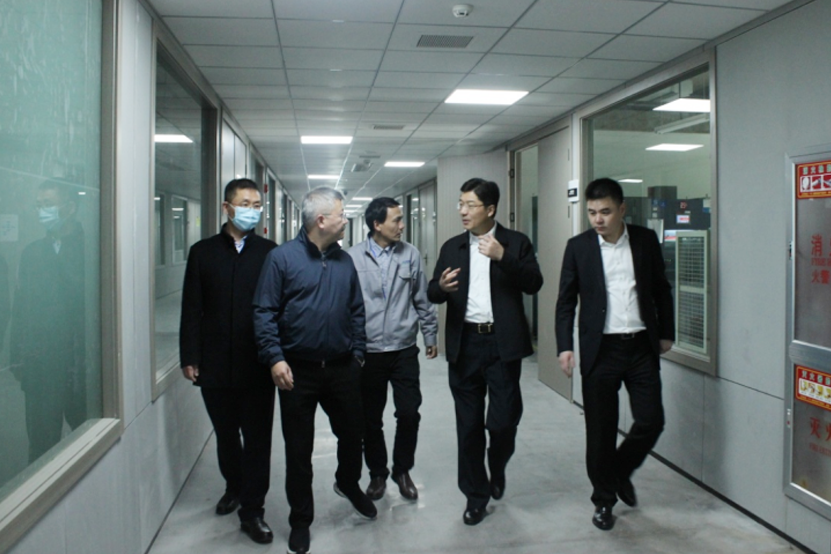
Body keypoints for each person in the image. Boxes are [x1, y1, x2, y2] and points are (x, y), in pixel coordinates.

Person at [253, 186, 375, 554]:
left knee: (353, 435)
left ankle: (348, 482)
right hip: (297, 373)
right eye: (341, 214)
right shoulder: (281, 259)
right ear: (321, 220)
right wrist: (275, 358)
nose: (346, 220)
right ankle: (301, 520)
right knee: (299, 452)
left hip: (341, 369)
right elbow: (264, 312)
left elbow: (356, 310)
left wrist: (357, 355)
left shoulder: (344, 261)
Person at [555, 177, 674, 531]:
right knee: (601, 432)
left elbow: (661, 289)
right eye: (592, 212)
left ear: (622, 209)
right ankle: (604, 500)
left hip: (640, 347)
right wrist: (565, 346)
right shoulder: (578, 247)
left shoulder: (645, 240)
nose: (598, 219)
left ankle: (620, 471)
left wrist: (666, 332)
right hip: (600, 351)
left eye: (605, 211)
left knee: (651, 420)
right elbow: (565, 302)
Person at [427, 178, 543, 526]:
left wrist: (503, 257)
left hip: (501, 344)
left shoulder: (515, 243)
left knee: (504, 420)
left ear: (490, 209)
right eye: (460, 204)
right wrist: (440, 288)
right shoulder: (452, 247)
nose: (462, 211)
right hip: (465, 344)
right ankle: (475, 496)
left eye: (470, 205)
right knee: (468, 427)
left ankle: (498, 462)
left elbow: (534, 283)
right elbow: (432, 292)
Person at [179, 178, 278, 544]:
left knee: (258, 439)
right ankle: (234, 486)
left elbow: (279, 307)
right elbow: (192, 307)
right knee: (226, 434)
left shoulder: (270, 252)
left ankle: (253, 511)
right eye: (245, 204)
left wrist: (279, 357)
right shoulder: (203, 252)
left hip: (258, 362)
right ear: (227, 208)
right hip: (215, 362)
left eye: (257, 205)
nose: (252, 210)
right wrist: (190, 355)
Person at [347, 197, 438, 502]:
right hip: (368, 351)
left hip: (403, 349)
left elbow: (422, 299)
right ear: (377, 224)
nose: (402, 225)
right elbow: (345, 306)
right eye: (396, 220)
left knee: (409, 413)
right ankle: (377, 473)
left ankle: (402, 469)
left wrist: (430, 335)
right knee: (370, 419)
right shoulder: (353, 258)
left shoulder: (410, 254)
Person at [11, 181, 86, 463]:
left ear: (70, 207)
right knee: (41, 446)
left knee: (88, 443)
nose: (42, 211)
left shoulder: (91, 250)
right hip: (40, 367)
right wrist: (17, 357)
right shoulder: (32, 253)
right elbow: (21, 309)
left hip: (81, 367)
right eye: (39, 205)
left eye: (48, 204)